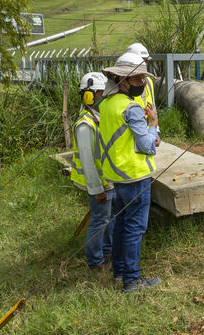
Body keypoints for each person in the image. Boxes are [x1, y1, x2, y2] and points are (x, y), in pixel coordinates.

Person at [99, 51, 161, 292]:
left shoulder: (106, 104)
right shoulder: (131, 108)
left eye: (143, 79)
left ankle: (119, 271)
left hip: (117, 175)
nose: (142, 83)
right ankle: (132, 280)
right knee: (135, 228)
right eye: (137, 80)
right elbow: (147, 145)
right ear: (122, 81)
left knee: (122, 224)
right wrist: (153, 125)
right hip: (135, 176)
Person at [70, 72, 116, 271]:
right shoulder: (85, 125)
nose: (104, 97)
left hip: (108, 180)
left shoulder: (100, 118)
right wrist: (97, 189)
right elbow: (88, 161)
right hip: (98, 183)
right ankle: (95, 262)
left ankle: (107, 252)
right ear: (88, 96)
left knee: (110, 218)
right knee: (99, 220)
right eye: (100, 94)